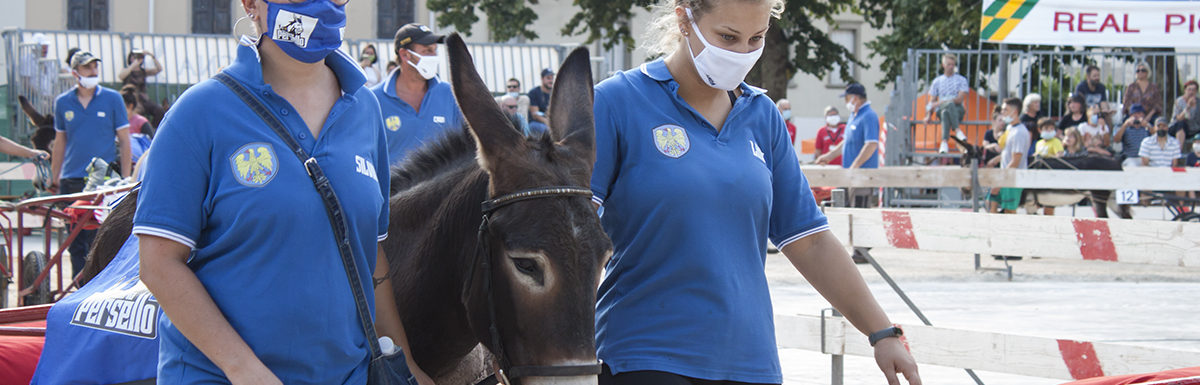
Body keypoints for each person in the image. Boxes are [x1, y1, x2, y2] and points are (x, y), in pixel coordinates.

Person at [590, 0, 921, 384]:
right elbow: (568, 235)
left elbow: (809, 240)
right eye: (727, 37)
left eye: (756, 39)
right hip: (645, 357)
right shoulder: (615, 102)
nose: (742, 54)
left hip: (750, 362)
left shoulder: (761, 114)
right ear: (684, 19)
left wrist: (881, 332)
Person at [133, 0, 430, 383]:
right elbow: (159, 263)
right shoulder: (200, 112)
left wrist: (407, 366)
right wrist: (242, 368)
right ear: (252, 5)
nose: (322, 3)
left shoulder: (365, 110)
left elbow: (370, 257)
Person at [52, 50, 132, 277]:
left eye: (95, 67)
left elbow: (124, 140)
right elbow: (60, 142)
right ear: (75, 73)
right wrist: (53, 176)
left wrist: (125, 177)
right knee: (75, 240)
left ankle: (96, 286)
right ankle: (79, 288)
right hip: (72, 178)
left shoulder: (112, 98)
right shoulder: (63, 102)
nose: (93, 71)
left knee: (99, 238)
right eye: (87, 68)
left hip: (104, 180)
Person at [370, 23, 464, 165]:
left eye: (435, 50)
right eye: (427, 51)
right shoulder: (374, 100)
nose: (434, 57)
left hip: (442, 186)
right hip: (394, 187)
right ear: (405, 55)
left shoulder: (451, 95)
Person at [818, 83, 881, 207]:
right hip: (850, 174)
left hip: (861, 175)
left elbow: (871, 145)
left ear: (855, 98)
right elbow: (846, 142)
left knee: (859, 211)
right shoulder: (854, 116)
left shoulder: (869, 115)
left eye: (847, 98)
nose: (846, 102)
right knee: (846, 211)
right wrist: (829, 156)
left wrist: (855, 166)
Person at [924, 53, 969, 154]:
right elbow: (931, 101)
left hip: (958, 110)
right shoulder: (937, 81)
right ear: (943, 65)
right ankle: (957, 131)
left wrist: (940, 102)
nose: (951, 67)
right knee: (945, 111)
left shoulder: (961, 80)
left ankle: (944, 141)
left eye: (953, 65)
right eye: (949, 64)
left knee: (947, 108)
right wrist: (928, 115)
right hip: (943, 108)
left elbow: (959, 100)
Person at [992, 97, 1029, 215]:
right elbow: (1006, 152)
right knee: (991, 203)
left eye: (1005, 110)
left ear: (1015, 112)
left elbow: (1015, 161)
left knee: (1010, 210)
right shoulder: (1010, 128)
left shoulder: (1019, 132)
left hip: (1013, 177)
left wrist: (1001, 179)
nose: (1002, 113)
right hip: (1006, 174)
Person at [1115, 103, 1151, 167]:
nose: (1137, 116)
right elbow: (1116, 140)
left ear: (1143, 115)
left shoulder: (1147, 127)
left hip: (1145, 158)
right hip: (1130, 158)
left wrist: (1148, 126)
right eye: (1134, 114)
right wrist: (1124, 125)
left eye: (1139, 113)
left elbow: (1157, 136)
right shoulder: (1126, 128)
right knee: (1132, 166)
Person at [1169, 80, 1199, 151]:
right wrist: (1188, 107)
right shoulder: (1179, 101)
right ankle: (1178, 151)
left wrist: (1195, 107)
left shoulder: (1198, 102)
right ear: (1185, 90)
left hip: (1194, 128)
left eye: (1193, 90)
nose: (1191, 92)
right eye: (1189, 89)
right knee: (1181, 124)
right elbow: (1179, 118)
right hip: (1177, 127)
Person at [527, 68, 554, 133]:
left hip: (552, 122)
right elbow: (535, 115)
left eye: (552, 78)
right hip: (536, 123)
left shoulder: (555, 93)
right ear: (542, 79)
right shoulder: (534, 92)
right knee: (548, 131)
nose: (551, 81)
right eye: (548, 78)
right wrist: (551, 125)